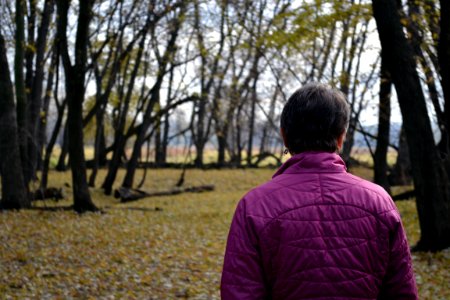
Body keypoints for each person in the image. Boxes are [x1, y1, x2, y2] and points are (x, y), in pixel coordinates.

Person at [220, 83, 418, 299]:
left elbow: (240, 293)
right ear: (341, 137)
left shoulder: (254, 205)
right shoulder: (379, 202)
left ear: (284, 136)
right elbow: (402, 292)